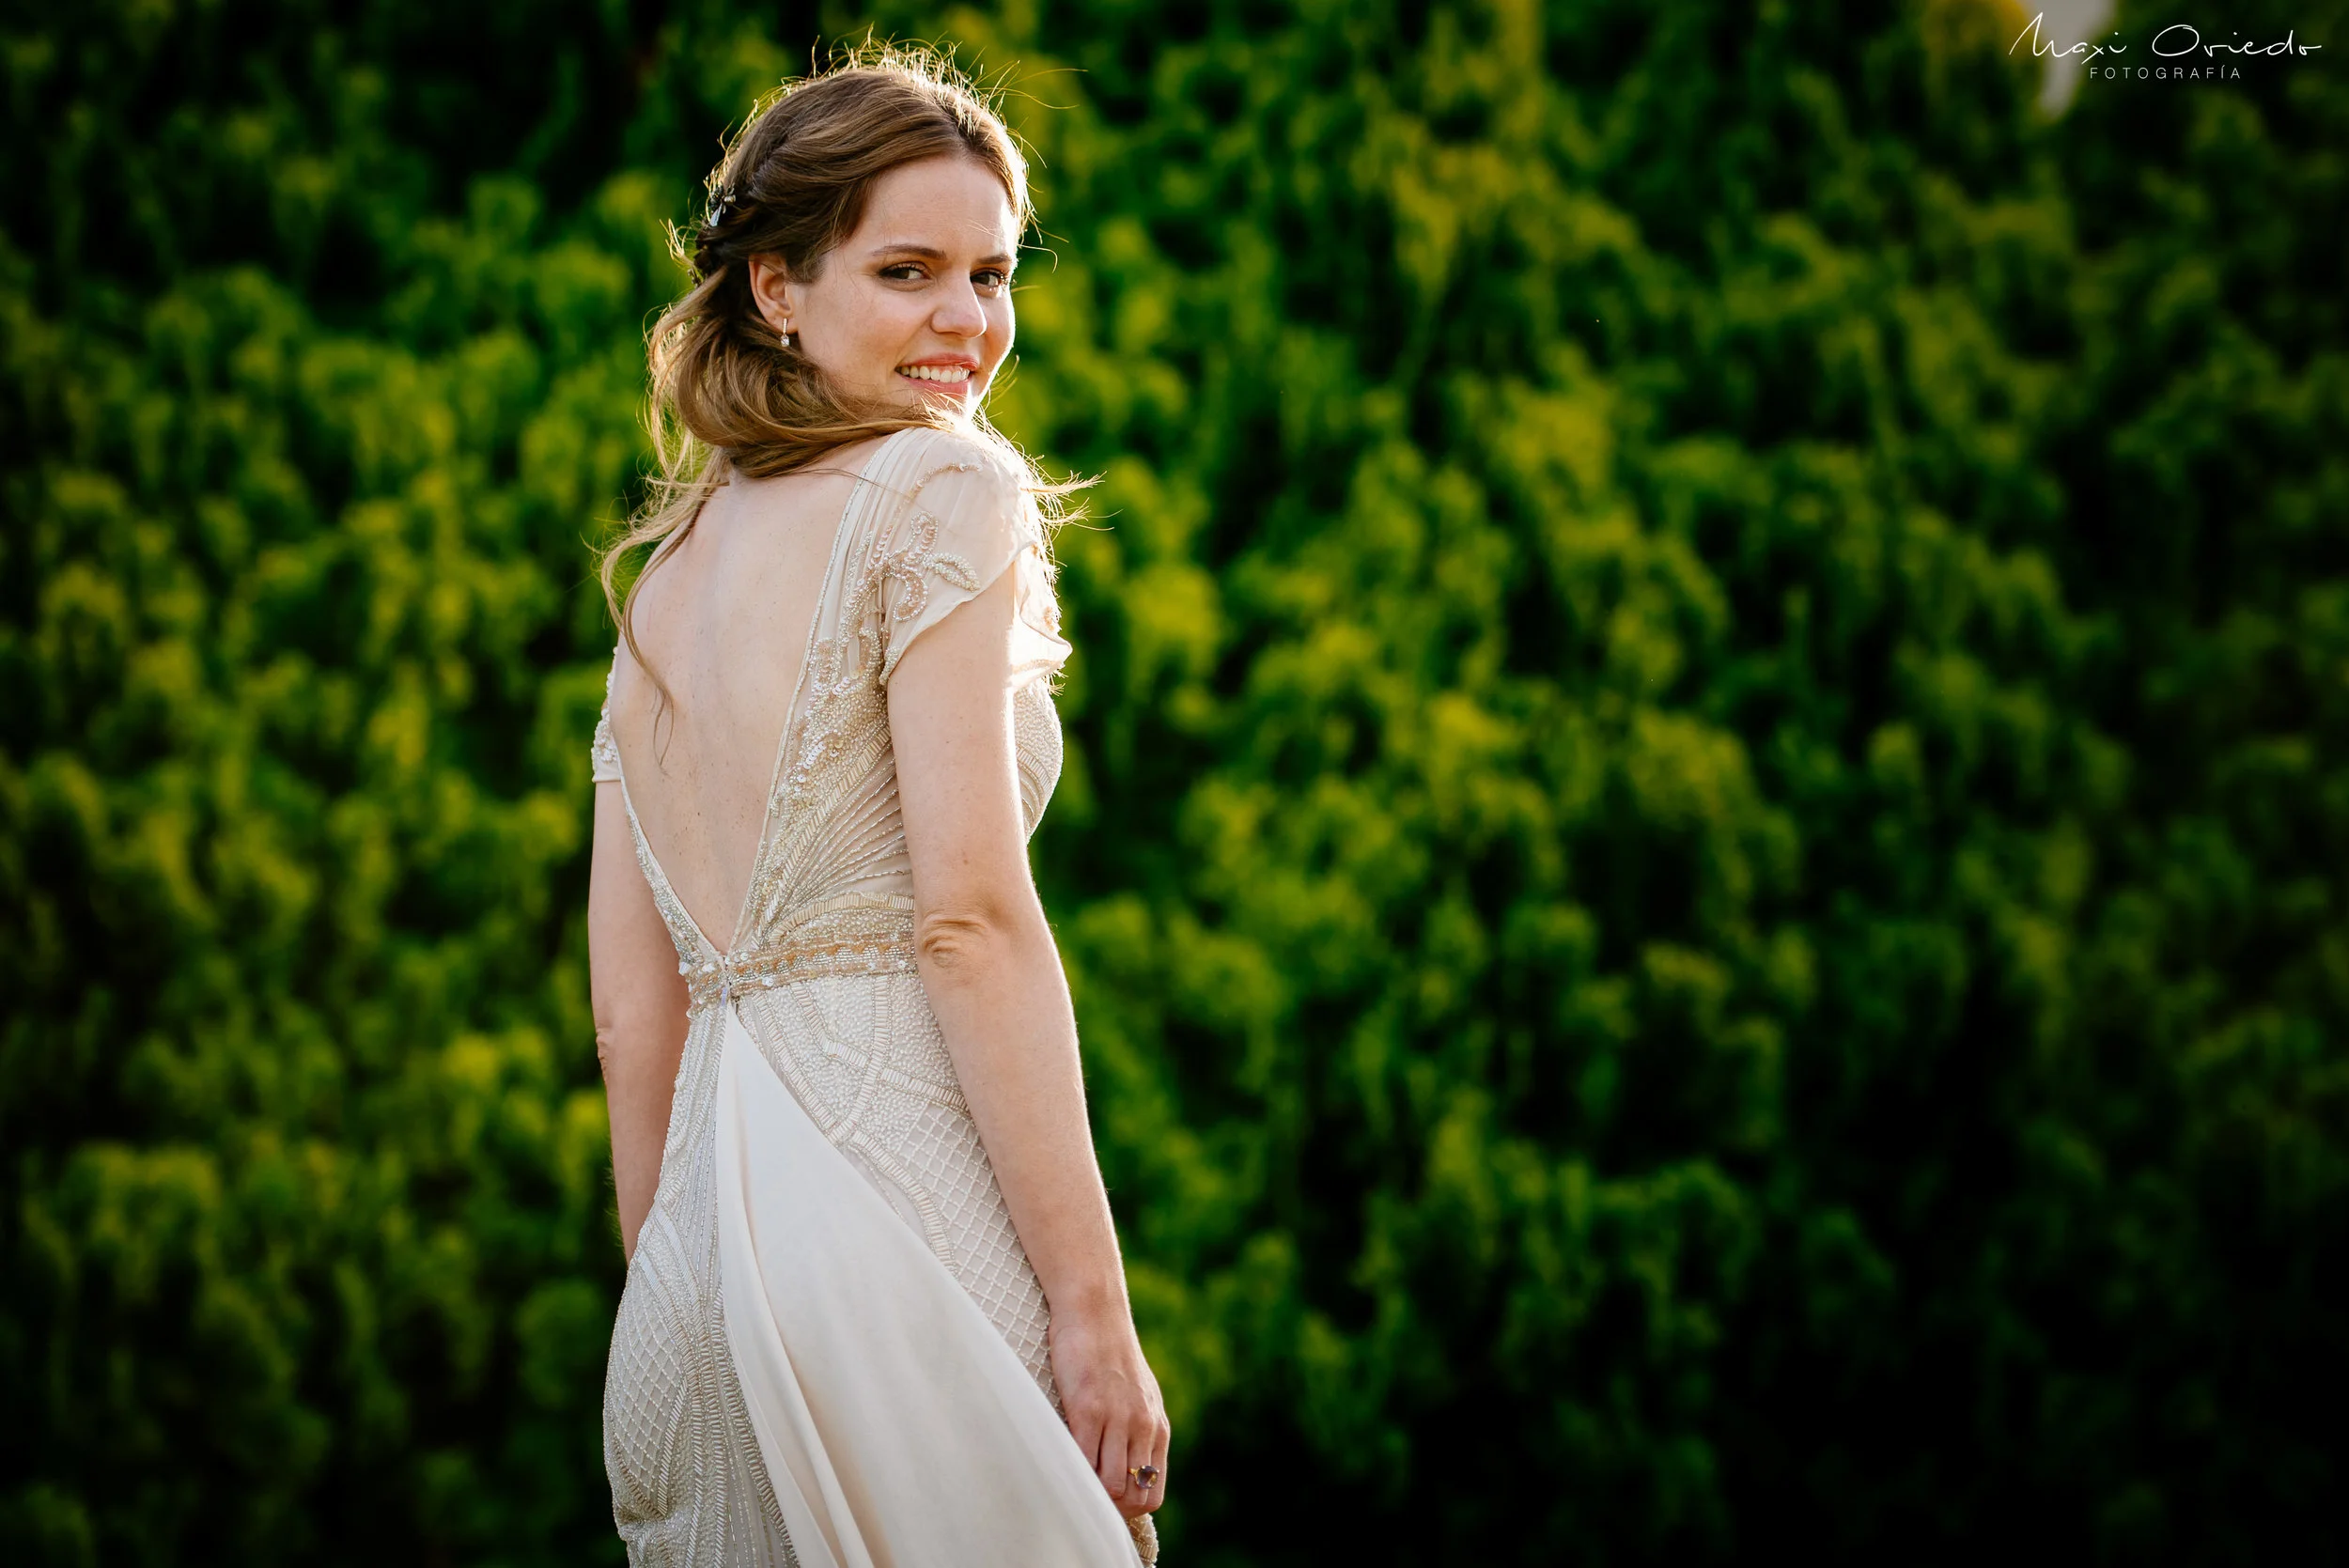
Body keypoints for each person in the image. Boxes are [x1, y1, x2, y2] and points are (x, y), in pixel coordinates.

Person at [585, 48, 1169, 1567]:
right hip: (890, 1212)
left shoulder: (663, 581)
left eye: (991, 271)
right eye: (908, 270)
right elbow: (970, 924)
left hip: (691, 1269)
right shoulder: (940, 493)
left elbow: (629, 1016)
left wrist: (679, 1283)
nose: (967, 323)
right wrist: (1093, 1312)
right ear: (776, 286)